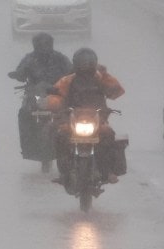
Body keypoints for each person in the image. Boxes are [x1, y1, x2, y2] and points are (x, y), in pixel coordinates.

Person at [47, 47, 125, 184]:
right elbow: (56, 95)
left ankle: (108, 171)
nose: (85, 66)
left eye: (88, 63)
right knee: (60, 135)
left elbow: (117, 91)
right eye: (82, 63)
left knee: (108, 135)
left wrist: (106, 75)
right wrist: (54, 104)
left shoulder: (101, 77)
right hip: (72, 118)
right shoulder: (67, 80)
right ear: (76, 63)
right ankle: (64, 172)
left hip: (98, 118)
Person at [7, 32, 72, 159]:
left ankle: (72, 143)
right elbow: (20, 73)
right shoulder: (29, 59)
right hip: (35, 96)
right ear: (35, 45)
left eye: (47, 44)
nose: (44, 47)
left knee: (72, 113)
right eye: (41, 44)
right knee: (25, 114)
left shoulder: (60, 58)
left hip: (58, 94)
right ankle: (28, 148)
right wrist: (18, 74)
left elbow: (71, 71)